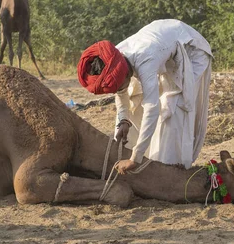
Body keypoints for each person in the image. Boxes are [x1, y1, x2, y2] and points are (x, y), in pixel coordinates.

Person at [77, 19, 213, 173]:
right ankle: (144, 159)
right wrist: (124, 120)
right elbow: (121, 92)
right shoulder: (115, 57)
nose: (120, 89)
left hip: (191, 50)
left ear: (126, 72)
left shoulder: (146, 60)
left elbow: (151, 109)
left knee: (171, 109)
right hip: (165, 50)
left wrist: (135, 158)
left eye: (121, 84)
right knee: (134, 100)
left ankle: (171, 170)